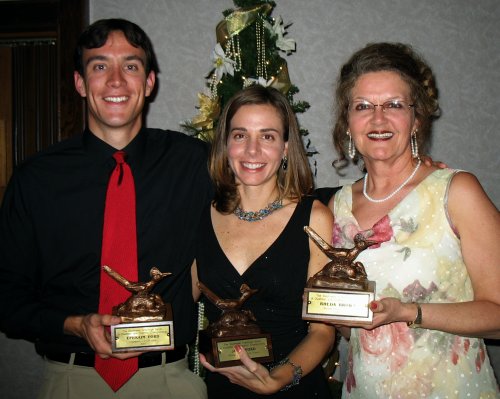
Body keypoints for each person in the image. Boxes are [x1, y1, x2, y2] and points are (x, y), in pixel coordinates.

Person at [0, 18, 212, 399]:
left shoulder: (193, 162)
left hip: (168, 381)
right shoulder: (36, 179)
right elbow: (7, 298)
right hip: (72, 379)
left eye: (130, 66)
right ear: (80, 83)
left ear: (149, 83)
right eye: (100, 66)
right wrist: (75, 324)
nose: (116, 81)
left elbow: (261, 203)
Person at [328, 42, 500, 398]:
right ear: (348, 122)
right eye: (362, 106)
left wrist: (407, 311)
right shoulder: (337, 206)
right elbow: (353, 330)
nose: (378, 119)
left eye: (393, 104)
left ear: (417, 117)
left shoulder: (456, 191)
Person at [191, 85, 336, 398]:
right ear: (225, 144)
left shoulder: (314, 218)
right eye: (240, 135)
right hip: (221, 390)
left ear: (285, 148)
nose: (252, 150)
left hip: (293, 387)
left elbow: (322, 330)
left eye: (267, 136)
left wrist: (278, 378)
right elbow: (178, 302)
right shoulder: (201, 216)